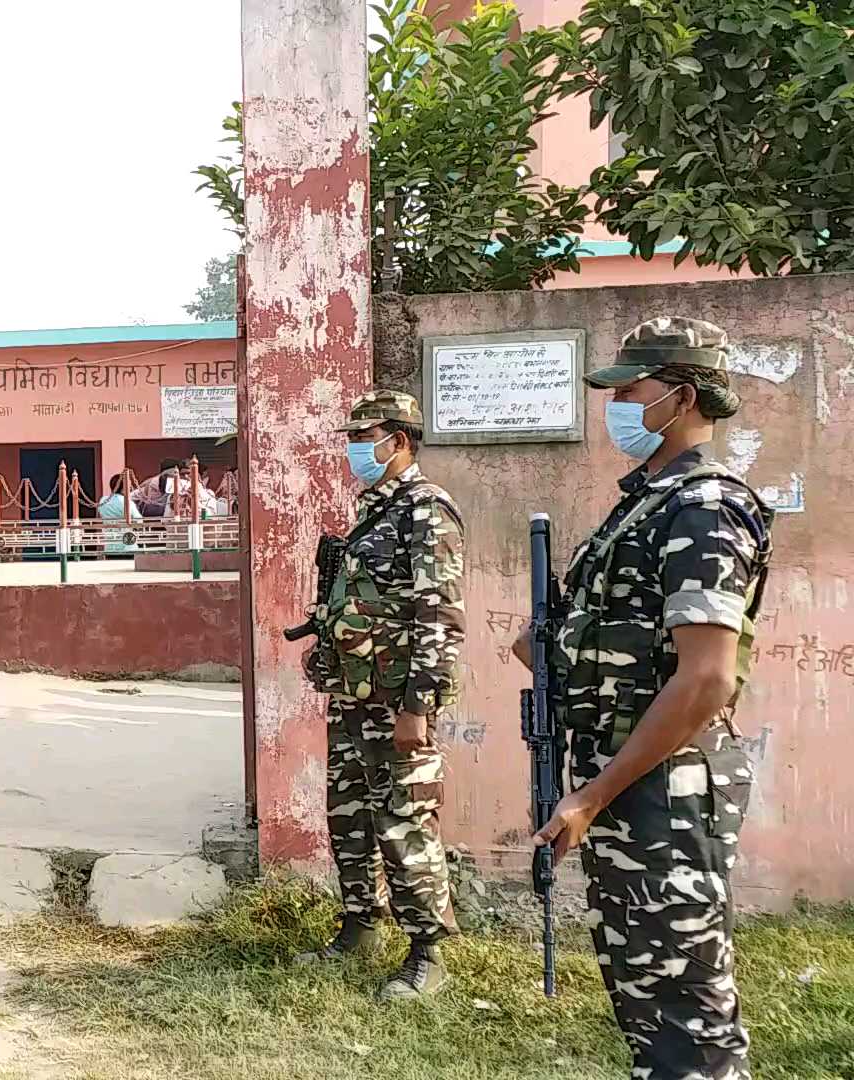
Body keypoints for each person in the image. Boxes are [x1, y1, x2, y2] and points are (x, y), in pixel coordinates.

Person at [516, 317, 770, 1079]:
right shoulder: (645, 501)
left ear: (682, 397)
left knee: (687, 1016)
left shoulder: (704, 508)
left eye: (631, 390)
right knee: (646, 1001)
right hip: (630, 782)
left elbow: (705, 679)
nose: (617, 404)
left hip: (663, 788)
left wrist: (591, 797)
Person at [294, 389, 464, 1001]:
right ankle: (360, 926)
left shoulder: (427, 510)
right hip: (355, 697)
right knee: (351, 819)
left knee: (404, 820)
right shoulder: (375, 512)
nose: (355, 448)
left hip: (397, 703)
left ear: (401, 441)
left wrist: (419, 705)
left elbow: (439, 615)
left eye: (366, 438)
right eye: (352, 437)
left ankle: (427, 954)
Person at [98, 472, 144, 555]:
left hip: (109, 544)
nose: (130, 488)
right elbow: (139, 521)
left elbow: (100, 514)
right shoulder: (126, 502)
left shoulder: (103, 500)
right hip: (127, 544)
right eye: (129, 485)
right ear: (123, 488)